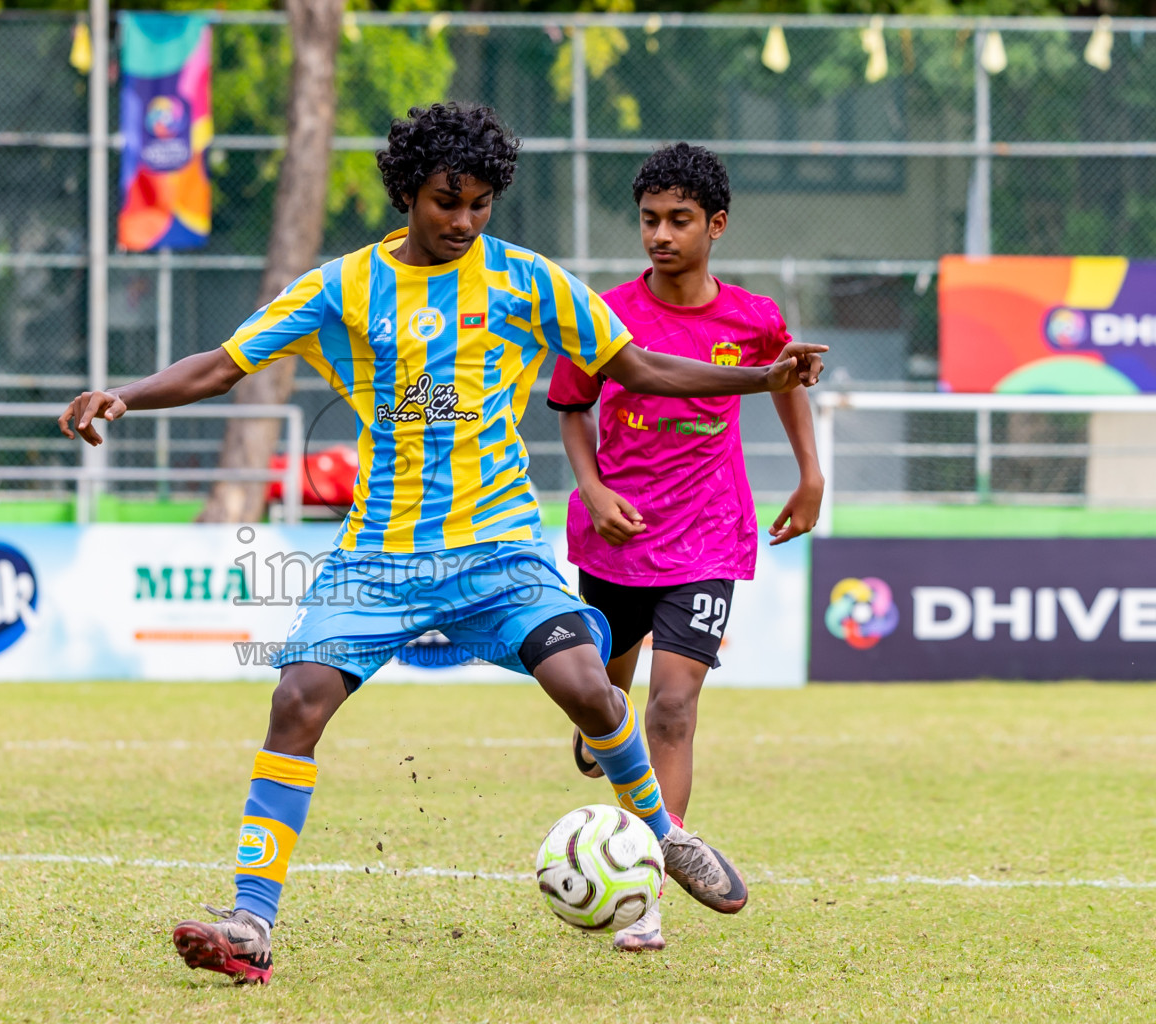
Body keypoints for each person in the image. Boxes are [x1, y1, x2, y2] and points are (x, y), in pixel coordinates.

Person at [59, 105, 824, 985]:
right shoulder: (344, 285)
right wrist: (126, 393)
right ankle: (251, 921)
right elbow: (225, 363)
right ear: (407, 194)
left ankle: (663, 836)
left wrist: (758, 377)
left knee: (590, 686)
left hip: (499, 553)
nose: (463, 222)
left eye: (481, 205)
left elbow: (638, 367)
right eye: (445, 202)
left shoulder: (526, 280)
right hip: (380, 559)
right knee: (297, 700)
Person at [550, 143, 824, 953]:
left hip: (707, 534)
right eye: (649, 220)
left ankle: (651, 890)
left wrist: (810, 475)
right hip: (619, 537)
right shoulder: (606, 315)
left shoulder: (751, 318)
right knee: (607, 693)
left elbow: (785, 384)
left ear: (717, 225)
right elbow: (570, 405)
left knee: (672, 707)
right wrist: (595, 491)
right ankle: (603, 724)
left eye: (679, 220)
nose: (661, 235)